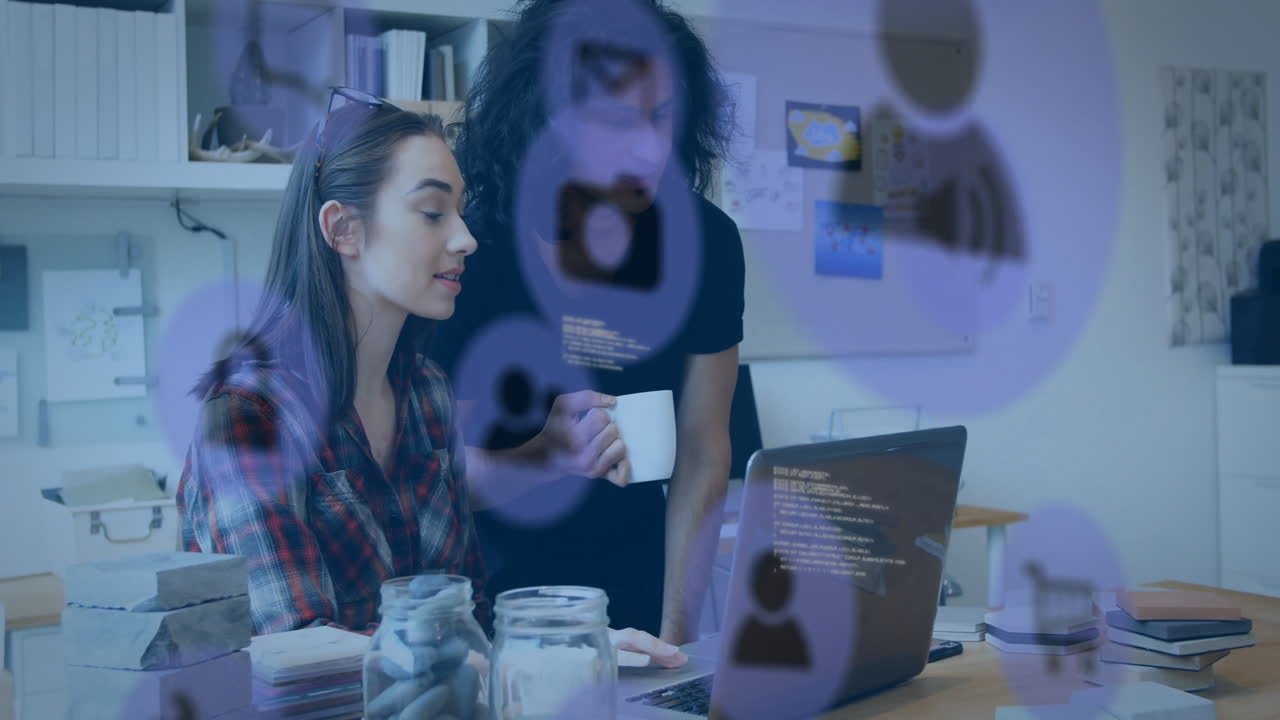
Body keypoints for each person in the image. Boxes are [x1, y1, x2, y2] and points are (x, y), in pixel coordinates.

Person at [176, 88, 687, 667]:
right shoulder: (250, 419)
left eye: (461, 211)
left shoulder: (425, 395)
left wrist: (579, 649)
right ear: (342, 229)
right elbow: (304, 659)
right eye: (431, 213)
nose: (464, 238)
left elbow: (464, 626)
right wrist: (535, 663)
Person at [435, 0, 745, 644]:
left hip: (635, 598)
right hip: (494, 614)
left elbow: (704, 450)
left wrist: (678, 637)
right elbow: (432, 478)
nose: (648, 148)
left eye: (663, 118)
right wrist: (540, 458)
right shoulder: (472, 246)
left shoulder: (707, 243)